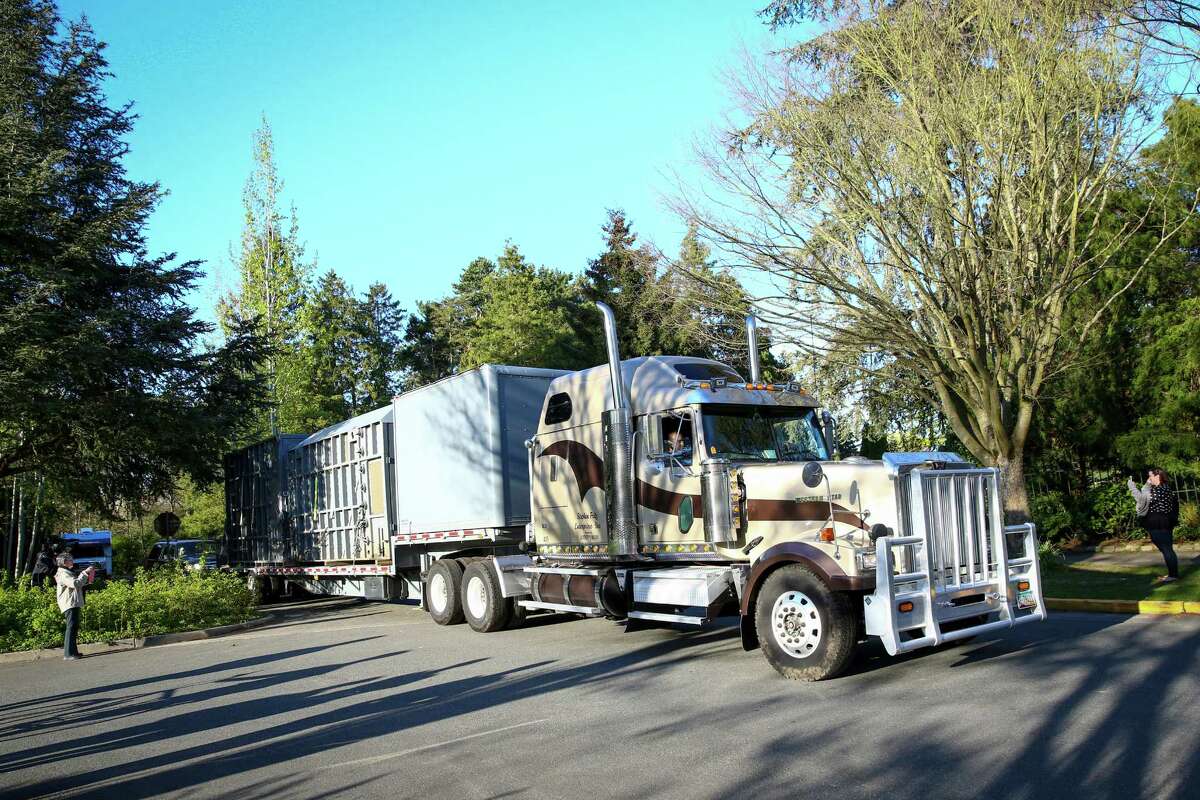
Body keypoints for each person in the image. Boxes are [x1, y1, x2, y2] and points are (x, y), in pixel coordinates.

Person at [1128, 468, 1180, 583]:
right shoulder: (1165, 488)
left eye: (1150, 476)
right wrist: (1147, 484)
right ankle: (1172, 574)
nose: (1149, 479)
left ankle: (1173, 575)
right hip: (1164, 522)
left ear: (1157, 476)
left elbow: (1141, 500)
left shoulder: (1159, 490)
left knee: (1166, 549)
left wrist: (1132, 487)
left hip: (1158, 523)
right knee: (1166, 549)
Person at [54, 553, 95, 660]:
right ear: (64, 562)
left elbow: (77, 584)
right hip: (69, 603)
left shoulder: (67, 572)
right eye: (70, 559)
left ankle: (73, 652)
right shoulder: (63, 573)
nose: (72, 561)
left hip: (72, 602)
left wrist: (87, 578)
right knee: (71, 627)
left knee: (74, 627)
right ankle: (68, 654)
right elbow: (75, 584)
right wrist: (85, 573)